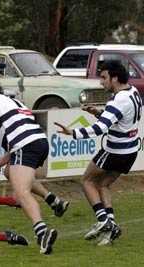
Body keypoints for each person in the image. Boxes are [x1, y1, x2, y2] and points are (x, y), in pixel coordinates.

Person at [55, 60, 142, 246]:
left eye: (104, 78)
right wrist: (99, 112)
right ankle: (112, 227)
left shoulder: (119, 99)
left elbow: (101, 128)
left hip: (115, 150)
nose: (101, 82)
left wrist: (73, 133)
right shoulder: (133, 92)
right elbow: (120, 119)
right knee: (103, 185)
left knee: (87, 181)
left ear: (115, 78)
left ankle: (103, 221)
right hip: (131, 151)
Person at [0, 78, 57, 255]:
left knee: (21, 193)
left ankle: (42, 233)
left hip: (25, 146)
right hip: (40, 143)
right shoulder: (15, 103)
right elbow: (19, 140)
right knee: (10, 172)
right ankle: (52, 201)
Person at [0, 156, 69, 218]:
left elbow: (11, 149)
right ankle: (55, 201)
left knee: (14, 173)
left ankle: (40, 226)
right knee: (11, 172)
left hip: (29, 144)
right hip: (33, 143)